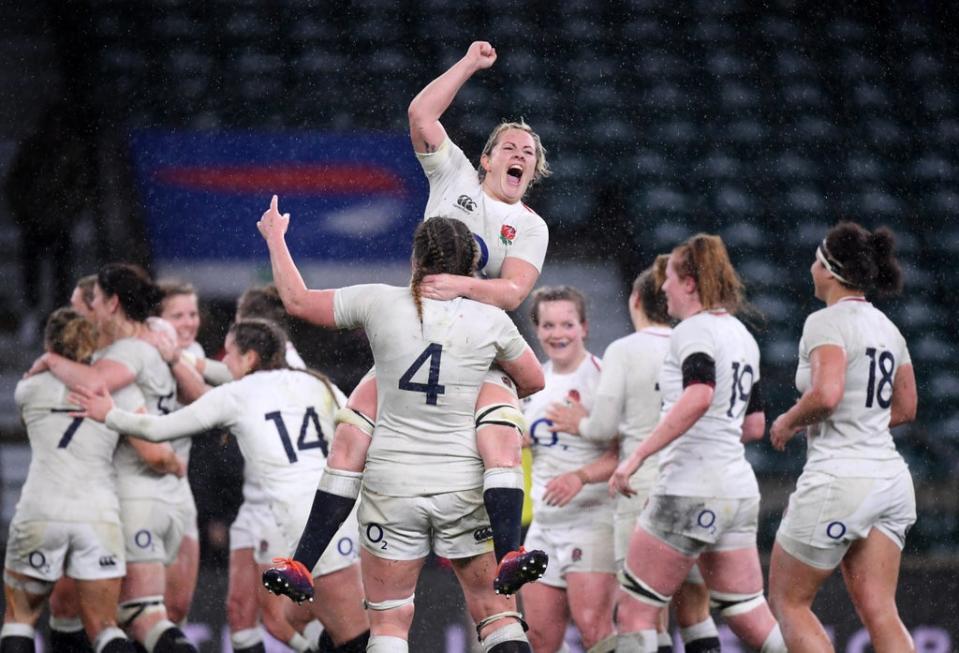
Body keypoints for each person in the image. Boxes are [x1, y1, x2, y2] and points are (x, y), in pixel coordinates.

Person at [257, 210, 546, 652]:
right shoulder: (490, 322)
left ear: (415, 261)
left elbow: (296, 301)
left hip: (392, 489)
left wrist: (276, 238)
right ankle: (510, 555)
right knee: (495, 613)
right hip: (462, 487)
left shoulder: (379, 302)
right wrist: (486, 380)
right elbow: (533, 380)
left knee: (390, 622)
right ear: (471, 264)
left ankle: (303, 560)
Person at [326, 40, 553, 583]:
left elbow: (512, 293)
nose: (519, 154)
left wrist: (449, 284)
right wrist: (471, 64)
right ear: (487, 158)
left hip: (472, 336)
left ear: (534, 169)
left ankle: (507, 550)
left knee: (499, 432)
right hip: (417, 325)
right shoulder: (452, 176)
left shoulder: (530, 225)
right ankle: (309, 552)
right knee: (354, 426)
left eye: (529, 152)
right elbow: (421, 114)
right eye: (510, 147)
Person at [71, 319, 371, 653]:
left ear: (249, 358)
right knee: (290, 616)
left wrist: (109, 414)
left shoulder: (236, 394)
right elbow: (361, 428)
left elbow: (158, 429)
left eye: (229, 354)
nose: (224, 362)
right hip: (343, 508)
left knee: (355, 639)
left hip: (310, 522)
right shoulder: (317, 382)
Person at [607, 234, 786, 653]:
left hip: (689, 487)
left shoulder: (692, 331)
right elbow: (754, 424)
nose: (663, 286)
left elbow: (700, 395)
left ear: (689, 283)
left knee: (634, 612)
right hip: (738, 491)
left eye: (669, 277)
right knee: (747, 611)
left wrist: (636, 456)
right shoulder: (742, 335)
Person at [547, 260, 721, 653]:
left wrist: (581, 423)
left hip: (643, 489)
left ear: (636, 299)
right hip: (696, 486)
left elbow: (604, 428)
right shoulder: (697, 347)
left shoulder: (625, 350)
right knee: (695, 605)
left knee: (642, 607)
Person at [26, 264, 196, 653]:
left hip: (134, 493)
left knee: (126, 617)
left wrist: (51, 362)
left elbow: (101, 390)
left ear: (109, 304)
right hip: (166, 498)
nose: (79, 315)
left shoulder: (123, 357)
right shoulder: (157, 342)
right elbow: (203, 397)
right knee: (127, 614)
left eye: (87, 304)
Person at [767, 223, 917, 652]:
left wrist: (790, 420)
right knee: (881, 610)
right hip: (891, 481)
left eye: (817, 260)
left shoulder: (825, 321)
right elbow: (907, 408)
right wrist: (864, 421)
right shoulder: (888, 328)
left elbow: (827, 394)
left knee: (788, 602)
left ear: (830, 271)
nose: (811, 267)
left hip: (841, 479)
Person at [2, 309, 139, 653]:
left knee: (20, 618)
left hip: (40, 511)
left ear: (49, 344)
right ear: (93, 344)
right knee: (105, 627)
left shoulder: (28, 388)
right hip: (97, 514)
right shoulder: (116, 392)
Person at [519, 286, 618, 653]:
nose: (557, 334)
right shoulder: (532, 383)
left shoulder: (604, 378)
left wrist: (580, 476)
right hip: (544, 527)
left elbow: (626, 455)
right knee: (541, 639)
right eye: (548, 325)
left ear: (584, 327)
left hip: (591, 522)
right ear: (537, 330)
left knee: (595, 631)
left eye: (567, 324)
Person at [156, 281, 203, 629]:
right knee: (137, 611)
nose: (189, 322)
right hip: (136, 492)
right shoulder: (135, 358)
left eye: (193, 313)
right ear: (155, 322)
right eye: (177, 316)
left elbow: (203, 400)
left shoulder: (193, 354)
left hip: (180, 492)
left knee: (177, 608)